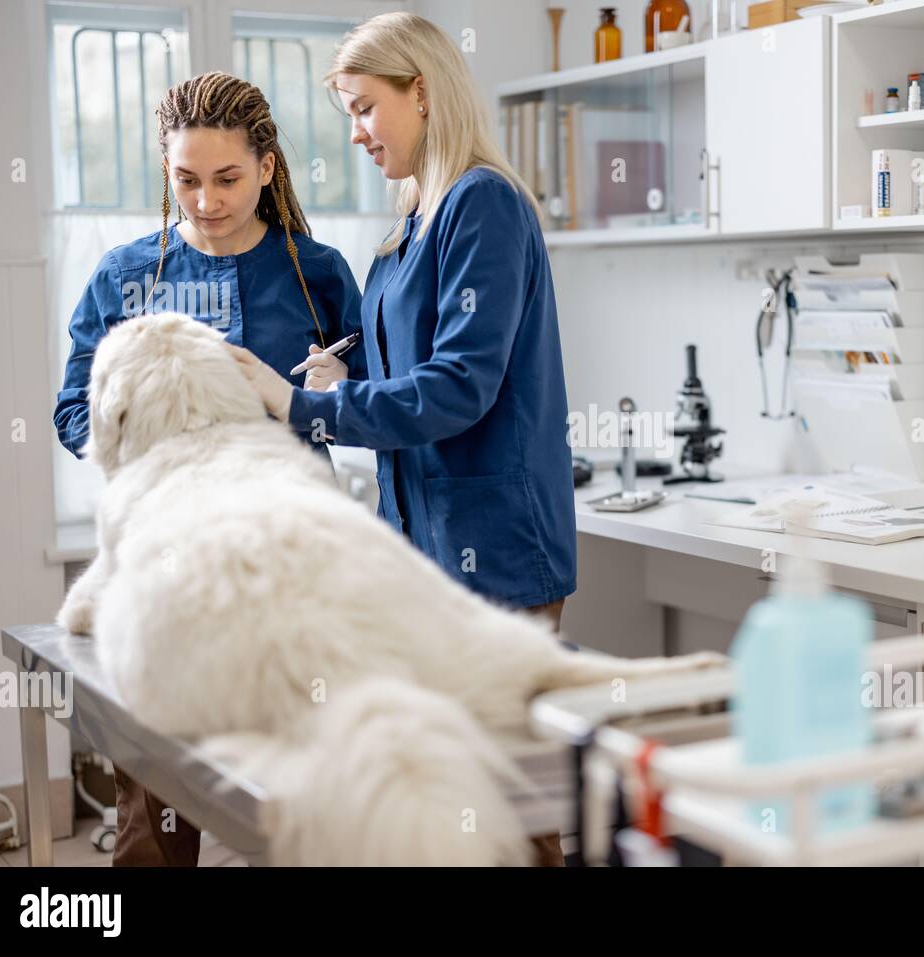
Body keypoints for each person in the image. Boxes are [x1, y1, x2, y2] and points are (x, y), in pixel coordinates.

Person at [54, 71, 366, 866]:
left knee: (310, 781)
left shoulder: (318, 273)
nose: (204, 200)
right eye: (185, 179)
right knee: (152, 802)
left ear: (267, 167)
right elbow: (71, 413)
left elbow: (374, 401)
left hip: (289, 561)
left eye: (226, 178)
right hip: (164, 565)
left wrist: (328, 393)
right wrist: (151, 432)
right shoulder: (126, 278)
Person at [229, 12, 576, 630]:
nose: (357, 134)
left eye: (365, 108)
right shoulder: (408, 226)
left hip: (494, 552)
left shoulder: (481, 202)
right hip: (421, 544)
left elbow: (459, 385)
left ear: (420, 91)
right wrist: (348, 371)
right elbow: (407, 365)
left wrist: (301, 406)